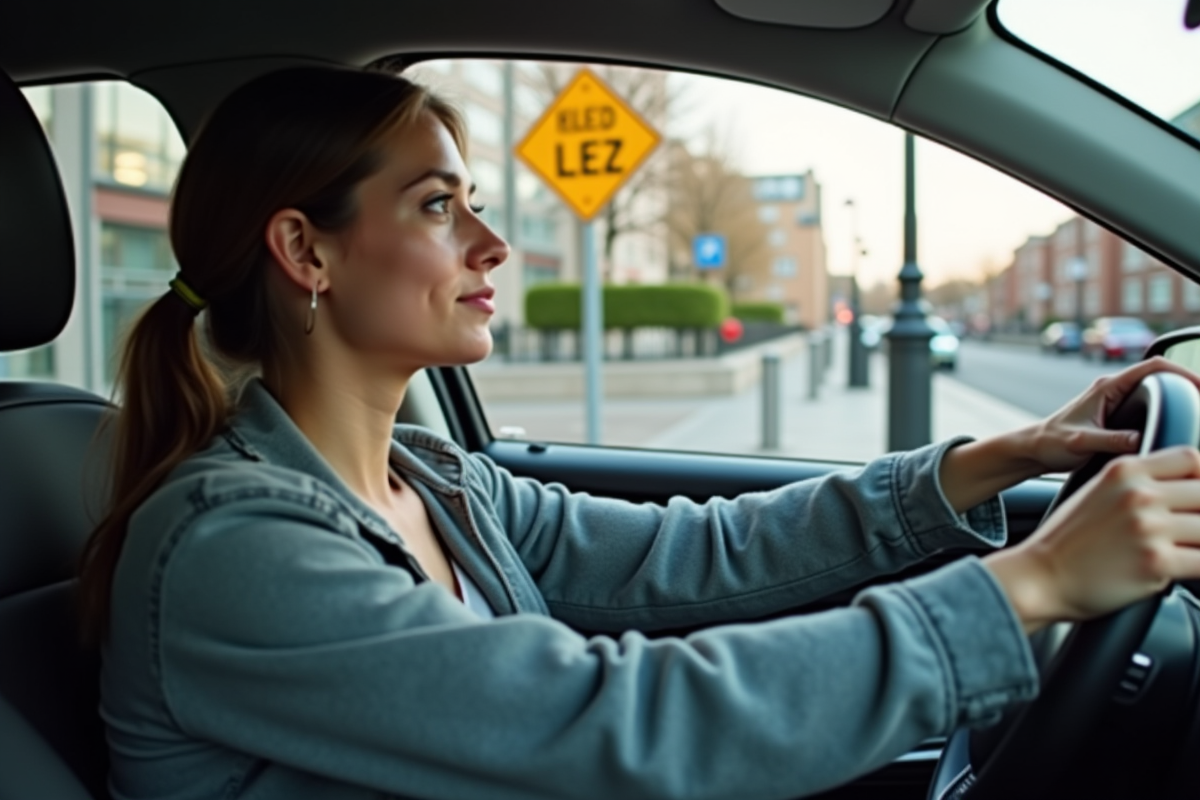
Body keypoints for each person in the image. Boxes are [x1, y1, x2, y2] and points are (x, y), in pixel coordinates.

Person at [80, 66, 1200, 800]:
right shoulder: (234, 546)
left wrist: (991, 463)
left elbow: (696, 551)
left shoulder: (434, 478)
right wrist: (1032, 585)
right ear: (305, 251)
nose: (490, 242)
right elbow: (616, 720)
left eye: (472, 201)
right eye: (436, 205)